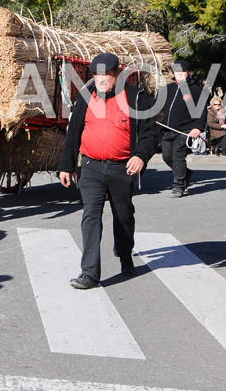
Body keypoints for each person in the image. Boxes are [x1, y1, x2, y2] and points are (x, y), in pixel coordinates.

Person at [58, 52, 159, 290]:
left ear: (117, 74)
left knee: (123, 215)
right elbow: (73, 133)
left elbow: (150, 133)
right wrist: (66, 165)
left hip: (122, 167)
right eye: (96, 75)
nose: (100, 79)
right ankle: (89, 272)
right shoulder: (86, 97)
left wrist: (140, 155)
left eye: (106, 75)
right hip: (91, 166)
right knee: (90, 215)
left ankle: (125, 254)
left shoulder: (135, 97)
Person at [158, 60, 207, 197]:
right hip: (168, 130)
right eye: (177, 72)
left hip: (186, 130)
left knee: (178, 157)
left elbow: (202, 111)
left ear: (188, 72)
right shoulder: (167, 88)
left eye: (182, 72)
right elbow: (157, 106)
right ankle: (186, 172)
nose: (179, 74)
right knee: (167, 157)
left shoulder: (196, 90)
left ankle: (179, 185)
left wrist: (198, 127)